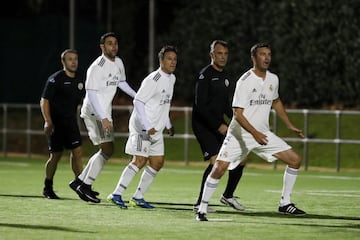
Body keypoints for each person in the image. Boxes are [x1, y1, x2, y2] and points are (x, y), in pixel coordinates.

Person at [196, 43, 306, 221]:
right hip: (239, 134)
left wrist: (289, 124)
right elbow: (237, 114)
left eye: (269, 54)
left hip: (262, 133)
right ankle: (202, 209)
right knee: (219, 168)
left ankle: (285, 203)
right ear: (254, 58)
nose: (267, 58)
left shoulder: (273, 79)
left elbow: (276, 101)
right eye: (262, 54)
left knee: (295, 160)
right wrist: (254, 134)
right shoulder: (244, 81)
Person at [69, 32, 136, 203]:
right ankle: (84, 184)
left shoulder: (118, 62)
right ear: (102, 47)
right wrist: (103, 117)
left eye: (115, 43)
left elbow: (121, 82)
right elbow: (91, 94)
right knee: (107, 149)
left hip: (104, 112)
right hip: (94, 112)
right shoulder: (96, 67)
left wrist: (136, 96)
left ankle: (80, 182)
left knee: (105, 150)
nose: (113, 46)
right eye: (109, 43)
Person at [107, 45, 177, 209]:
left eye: (174, 59)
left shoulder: (172, 79)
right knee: (139, 160)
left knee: (157, 162)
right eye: (169, 59)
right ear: (161, 61)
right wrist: (147, 125)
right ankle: (116, 194)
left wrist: (168, 123)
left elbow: (163, 104)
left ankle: (138, 197)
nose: (172, 62)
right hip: (142, 128)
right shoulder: (153, 79)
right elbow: (138, 101)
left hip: (157, 130)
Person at [192, 40, 245, 212]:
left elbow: (224, 105)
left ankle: (228, 196)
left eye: (225, 54)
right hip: (203, 125)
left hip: (219, 125)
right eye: (219, 53)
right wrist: (218, 125)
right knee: (216, 161)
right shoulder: (205, 75)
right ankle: (200, 204)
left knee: (241, 157)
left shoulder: (226, 76)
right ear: (212, 55)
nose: (223, 57)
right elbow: (200, 106)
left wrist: (237, 120)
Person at [40, 49, 85, 199]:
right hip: (56, 123)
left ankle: (80, 185)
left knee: (77, 152)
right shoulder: (55, 79)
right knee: (55, 156)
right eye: (70, 59)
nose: (73, 62)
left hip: (71, 122)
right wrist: (48, 121)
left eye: (75, 59)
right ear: (63, 62)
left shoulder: (80, 79)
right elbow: (44, 101)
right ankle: (48, 186)